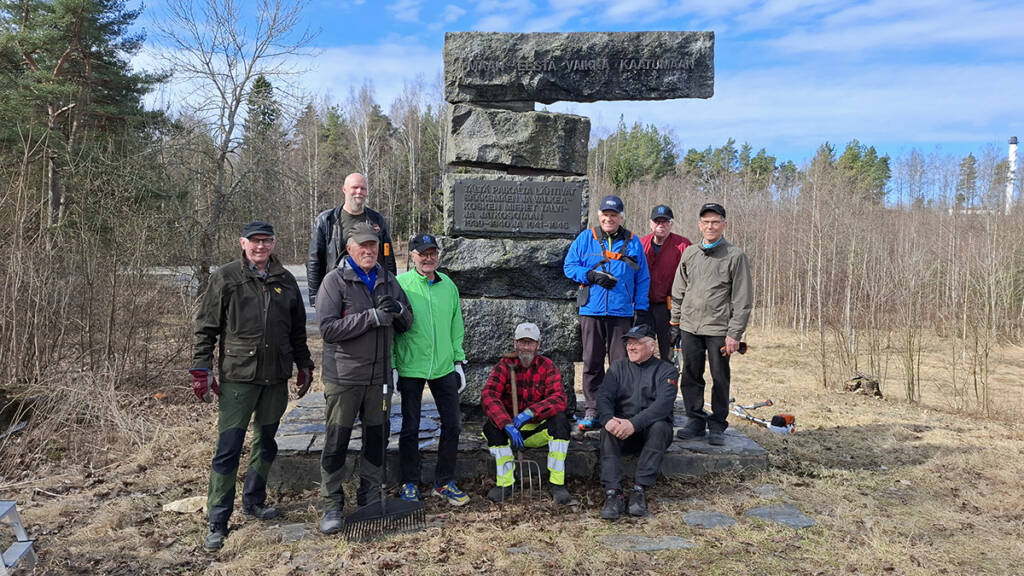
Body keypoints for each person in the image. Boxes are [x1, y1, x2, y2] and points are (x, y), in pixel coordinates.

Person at [190, 221, 314, 552]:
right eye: (255, 241)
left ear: (274, 243)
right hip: (238, 379)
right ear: (242, 243)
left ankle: (254, 501)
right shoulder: (227, 278)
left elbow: (297, 330)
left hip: (275, 377)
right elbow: (206, 328)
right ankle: (218, 519)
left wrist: (304, 365)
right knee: (228, 448)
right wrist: (202, 369)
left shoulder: (285, 280)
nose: (261, 247)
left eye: (267, 241)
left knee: (266, 441)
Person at [315, 222, 412, 534]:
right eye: (363, 246)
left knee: (376, 441)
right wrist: (371, 318)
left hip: (380, 378)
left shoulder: (388, 280)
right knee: (336, 442)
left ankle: (369, 496)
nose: (369, 250)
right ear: (350, 249)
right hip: (344, 377)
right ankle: (332, 503)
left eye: (373, 245)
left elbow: (407, 323)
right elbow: (328, 329)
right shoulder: (335, 281)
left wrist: (397, 309)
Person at [393, 233, 470, 506]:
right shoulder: (401, 285)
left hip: (443, 367)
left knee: (453, 424)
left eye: (433, 252)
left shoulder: (448, 285)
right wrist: (393, 365)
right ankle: (409, 482)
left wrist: (458, 361)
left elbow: (455, 325)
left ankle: (444, 481)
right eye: (422, 253)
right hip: (411, 366)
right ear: (411, 256)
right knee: (410, 426)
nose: (428, 258)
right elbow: (392, 329)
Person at [563, 195, 651, 431]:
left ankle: (619, 408)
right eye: (605, 215)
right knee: (591, 361)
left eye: (613, 215)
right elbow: (569, 266)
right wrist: (591, 276)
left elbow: (643, 278)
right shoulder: (586, 238)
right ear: (599, 216)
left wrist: (641, 309)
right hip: (592, 310)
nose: (608, 219)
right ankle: (592, 409)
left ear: (621, 217)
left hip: (622, 312)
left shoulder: (633, 241)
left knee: (621, 364)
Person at [670, 203, 753, 446]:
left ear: (724, 225)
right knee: (691, 375)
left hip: (719, 329)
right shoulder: (690, 253)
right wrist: (676, 319)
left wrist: (734, 333)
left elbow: (742, 297)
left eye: (715, 222)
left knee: (720, 377)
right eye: (706, 222)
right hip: (690, 327)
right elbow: (679, 288)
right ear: (699, 225)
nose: (710, 226)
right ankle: (694, 421)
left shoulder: (735, 256)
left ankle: (717, 424)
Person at [481, 322, 573, 505]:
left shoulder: (547, 366)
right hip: (509, 431)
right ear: (515, 343)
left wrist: (530, 413)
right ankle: (506, 482)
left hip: (537, 431)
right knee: (490, 426)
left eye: (530, 343)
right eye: (522, 342)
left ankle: (557, 483)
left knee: (561, 422)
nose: (525, 347)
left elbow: (559, 398)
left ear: (538, 345)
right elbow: (488, 396)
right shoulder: (504, 366)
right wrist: (506, 423)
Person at [596, 324, 677, 520]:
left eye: (637, 343)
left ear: (652, 345)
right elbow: (604, 397)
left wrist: (634, 424)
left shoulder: (667, 371)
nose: (631, 347)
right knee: (608, 431)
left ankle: (639, 490)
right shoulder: (617, 368)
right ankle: (613, 492)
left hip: (650, 431)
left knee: (660, 427)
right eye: (629, 343)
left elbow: (663, 406)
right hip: (622, 430)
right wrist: (608, 420)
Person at [306, 172, 397, 307]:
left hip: (371, 290)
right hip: (337, 291)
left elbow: (387, 257)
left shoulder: (377, 220)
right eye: (355, 187)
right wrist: (315, 297)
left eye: (363, 188)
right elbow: (314, 260)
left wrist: (391, 290)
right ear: (344, 189)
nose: (359, 192)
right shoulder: (326, 220)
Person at [639, 205, 691, 361]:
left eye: (665, 221)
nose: (661, 225)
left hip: (669, 308)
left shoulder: (684, 246)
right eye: (657, 221)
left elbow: (690, 280)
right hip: (644, 307)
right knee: (641, 351)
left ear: (671, 224)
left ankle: (668, 384)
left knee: (669, 353)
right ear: (650, 223)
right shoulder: (641, 244)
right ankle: (643, 385)